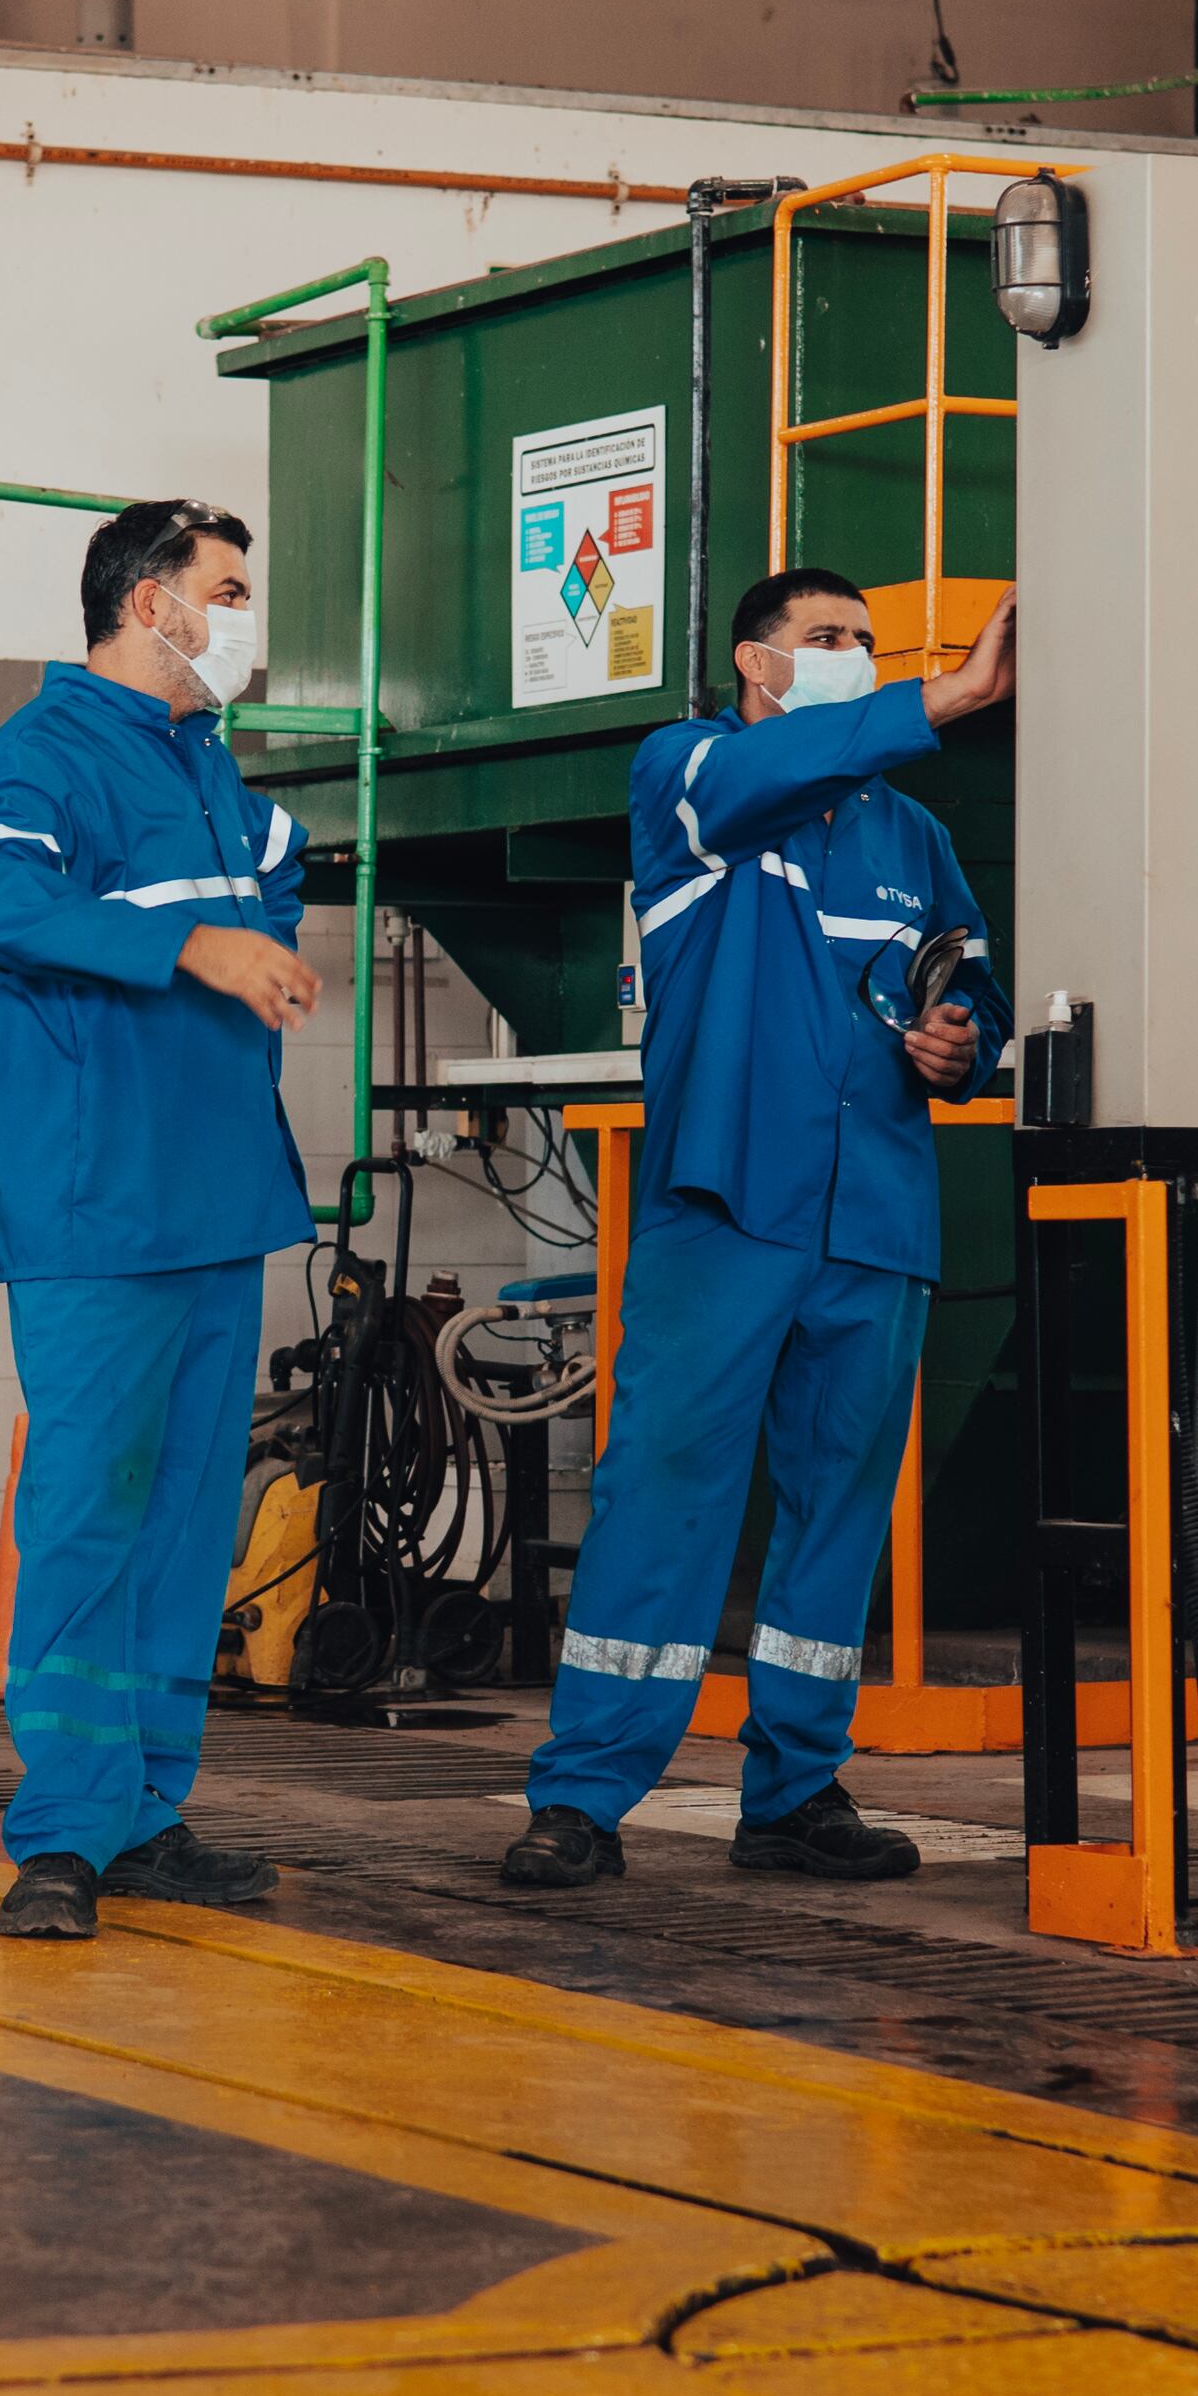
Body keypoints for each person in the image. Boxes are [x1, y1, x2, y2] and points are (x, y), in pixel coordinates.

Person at [504, 568, 1014, 1889]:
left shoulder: (912, 836)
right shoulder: (689, 774)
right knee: (664, 1492)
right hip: (727, 1203)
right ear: (758, 663)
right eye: (827, 639)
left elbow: (974, 979)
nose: (852, 655)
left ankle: (795, 1788)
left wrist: (964, 1040)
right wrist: (944, 692)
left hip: (878, 1211)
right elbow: (738, 789)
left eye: (867, 641)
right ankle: (582, 1794)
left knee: (842, 1504)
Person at [0, 499, 319, 1941]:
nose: (242, 616)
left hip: (219, 1203)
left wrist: (250, 937)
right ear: (150, 600)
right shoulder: (46, 753)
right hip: (101, 1206)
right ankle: (61, 1832)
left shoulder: (218, 774)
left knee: (177, 1533)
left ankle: (150, 1810)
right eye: (227, 588)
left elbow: (267, 906)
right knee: (91, 1520)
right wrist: (192, 942)